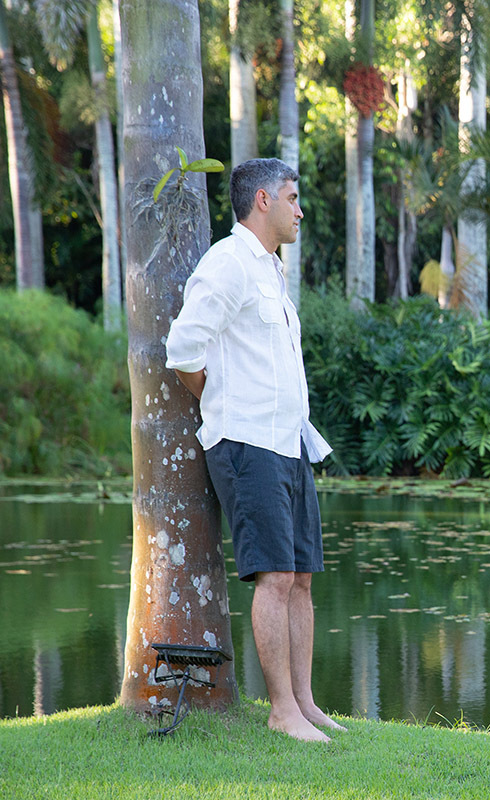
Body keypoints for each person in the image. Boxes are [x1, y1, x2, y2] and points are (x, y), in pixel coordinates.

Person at [165, 158, 345, 743]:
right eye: (292, 198)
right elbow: (184, 347)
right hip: (246, 444)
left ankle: (306, 703)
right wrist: (219, 398)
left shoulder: (271, 269)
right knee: (274, 578)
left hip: (289, 442)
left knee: (301, 579)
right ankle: (281, 711)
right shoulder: (228, 263)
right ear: (262, 200)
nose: (300, 209)